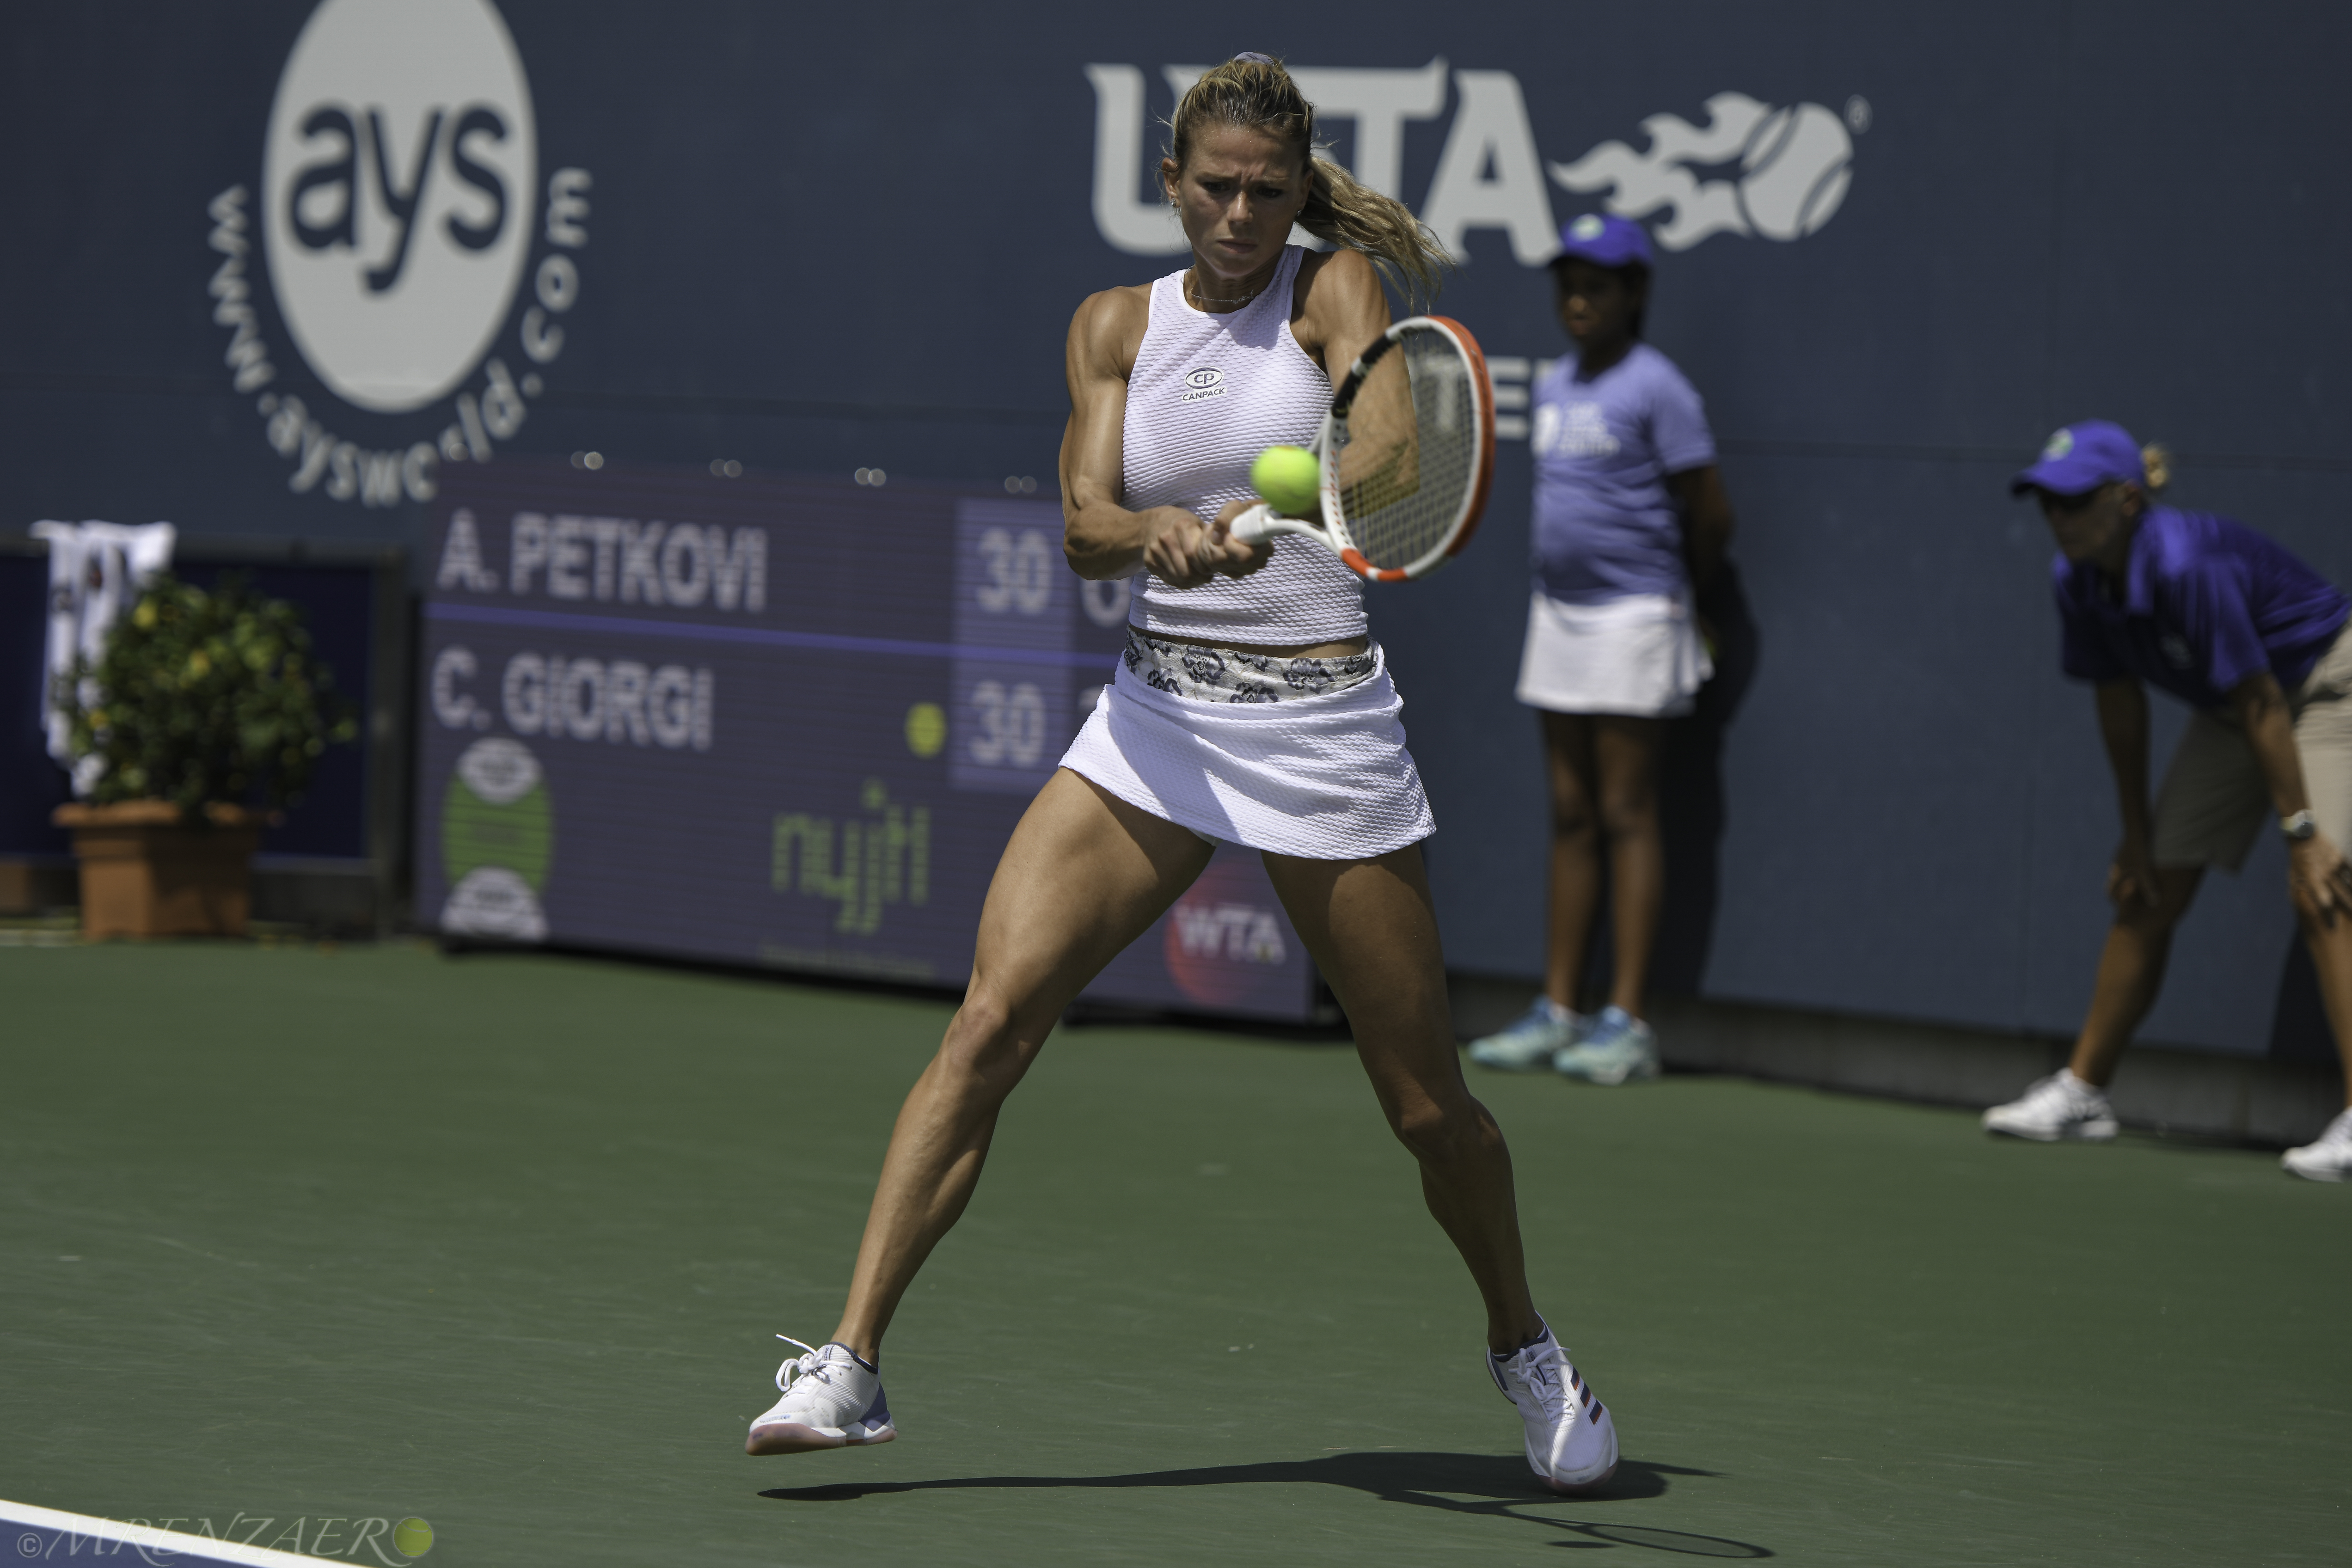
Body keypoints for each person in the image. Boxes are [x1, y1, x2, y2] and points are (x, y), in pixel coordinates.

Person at [743, 54, 1619, 1492]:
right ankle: (851, 1364)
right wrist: (1157, 531)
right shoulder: (1111, 326)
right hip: (1154, 728)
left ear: (1299, 191)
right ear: (1171, 181)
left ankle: (1522, 1343)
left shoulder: (1335, 292)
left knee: (1425, 1110)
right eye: (1215, 186)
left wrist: (1268, 505)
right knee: (988, 1026)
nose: (1241, 212)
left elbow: (1391, 455)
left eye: (1269, 191)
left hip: (1322, 732)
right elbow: (1084, 523)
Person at [1982, 421, 2352, 1180]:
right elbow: (2120, 704)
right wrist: (2135, 832)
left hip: (2324, 687)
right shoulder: (2075, 579)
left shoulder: (2186, 562)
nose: (2058, 520)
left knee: (2321, 888)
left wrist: (2303, 831)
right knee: (2148, 889)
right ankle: (2085, 1091)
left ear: (2126, 502)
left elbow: (2264, 702)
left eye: (2074, 502)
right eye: (2046, 505)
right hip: (2236, 711)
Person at [1465, 214, 1734, 1085]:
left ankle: (1628, 1022)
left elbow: (1711, 513)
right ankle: (1560, 1009)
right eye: (1568, 282)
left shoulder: (1662, 389)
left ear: (1637, 293)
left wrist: (1679, 596)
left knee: (1627, 813)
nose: (1578, 298)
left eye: (1600, 284)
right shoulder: (1554, 383)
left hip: (1635, 618)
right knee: (1573, 814)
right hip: (1560, 617)